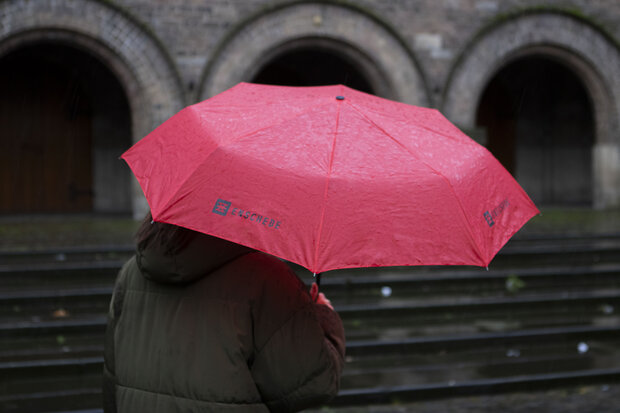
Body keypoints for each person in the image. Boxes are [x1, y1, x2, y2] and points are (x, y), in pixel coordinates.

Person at [103, 213, 345, 412]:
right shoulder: (266, 280)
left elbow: (111, 381)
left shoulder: (131, 274)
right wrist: (322, 317)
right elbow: (314, 383)